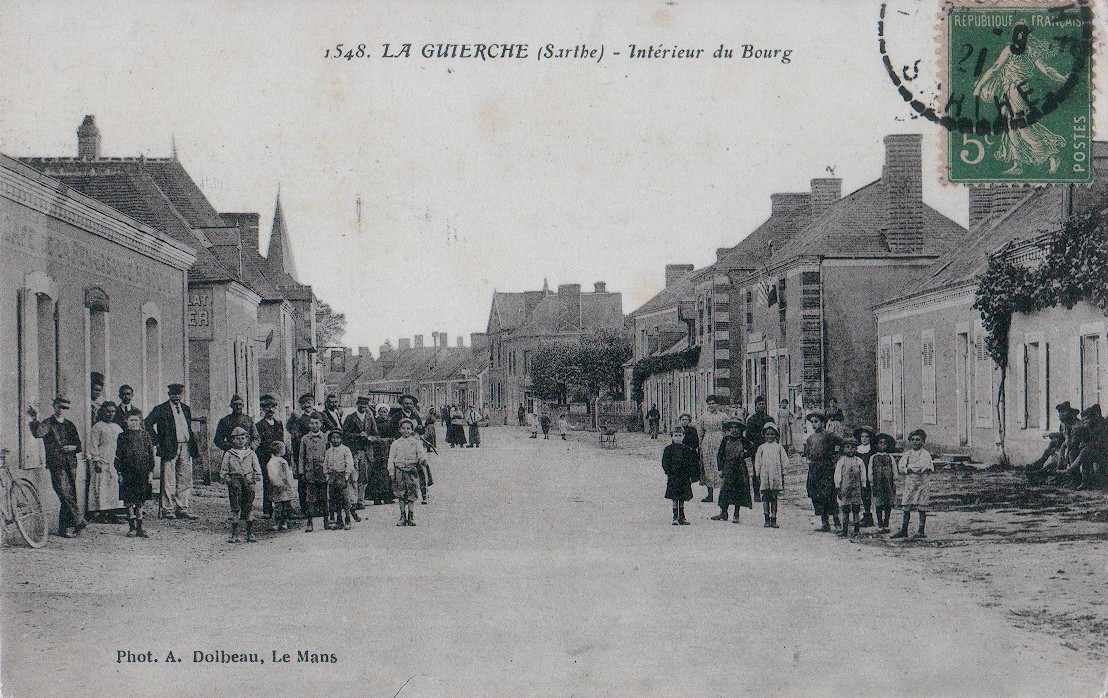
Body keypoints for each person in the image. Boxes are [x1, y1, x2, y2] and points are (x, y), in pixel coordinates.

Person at [28, 397, 85, 538]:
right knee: (64, 493)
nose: (61, 410)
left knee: (70, 494)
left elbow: (79, 445)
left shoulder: (70, 425)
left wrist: (73, 447)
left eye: (64, 408)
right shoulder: (48, 423)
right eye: (59, 406)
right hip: (56, 463)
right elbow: (38, 433)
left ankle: (64, 529)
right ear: (54, 406)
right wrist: (34, 419)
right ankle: (79, 520)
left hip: (71, 463)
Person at [144, 384, 200, 520]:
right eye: (173, 394)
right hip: (169, 447)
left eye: (179, 394)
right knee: (168, 479)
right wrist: (157, 441)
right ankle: (167, 509)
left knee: (184, 478)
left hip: (185, 446)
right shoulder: (161, 409)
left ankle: (182, 508)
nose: (176, 397)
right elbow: (147, 423)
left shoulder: (186, 409)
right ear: (169, 395)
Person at [219, 426, 262, 543]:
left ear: (247, 439)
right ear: (232, 440)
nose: (240, 440)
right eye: (237, 438)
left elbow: (257, 469)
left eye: (243, 438)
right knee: (235, 507)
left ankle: (249, 533)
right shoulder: (229, 453)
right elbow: (223, 471)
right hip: (235, 482)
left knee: (248, 506)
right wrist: (229, 480)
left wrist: (255, 480)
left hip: (248, 481)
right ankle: (235, 534)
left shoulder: (251, 453)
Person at [115, 413, 155, 538]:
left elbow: (150, 454)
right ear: (126, 421)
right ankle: (131, 527)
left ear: (140, 421)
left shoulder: (145, 435)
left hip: (142, 472)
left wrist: (150, 472)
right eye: (131, 420)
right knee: (129, 500)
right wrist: (120, 473)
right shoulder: (122, 436)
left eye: (136, 420)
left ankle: (140, 527)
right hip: (128, 473)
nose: (134, 423)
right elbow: (118, 456)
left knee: (140, 501)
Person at [892, 429, 934, 539]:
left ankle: (921, 530)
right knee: (906, 504)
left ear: (922, 441)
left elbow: (921, 467)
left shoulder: (925, 454)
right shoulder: (907, 454)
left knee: (922, 505)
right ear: (910, 441)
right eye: (913, 440)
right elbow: (901, 466)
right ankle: (904, 530)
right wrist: (906, 470)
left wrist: (910, 468)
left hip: (922, 483)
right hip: (910, 482)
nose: (915, 442)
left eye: (918, 440)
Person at [804, 411, 842, 532]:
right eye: (812, 422)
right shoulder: (810, 439)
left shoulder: (829, 435)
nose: (814, 424)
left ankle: (837, 523)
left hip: (827, 468)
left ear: (823, 423)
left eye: (816, 422)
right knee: (817, 495)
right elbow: (807, 453)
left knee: (830, 495)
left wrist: (836, 456)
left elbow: (841, 442)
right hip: (814, 469)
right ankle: (825, 523)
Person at [86, 401, 123, 522]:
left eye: (113, 411)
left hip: (114, 459)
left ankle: (112, 514)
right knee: (101, 486)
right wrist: (96, 459)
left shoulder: (117, 427)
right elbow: (93, 444)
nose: (110, 414)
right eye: (108, 411)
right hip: (102, 459)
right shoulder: (97, 426)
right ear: (102, 412)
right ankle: (102, 513)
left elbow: (122, 444)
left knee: (113, 486)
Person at [390, 418, 429, 526]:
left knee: (411, 493)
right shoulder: (396, 443)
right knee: (401, 493)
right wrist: (391, 471)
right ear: (399, 430)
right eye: (403, 428)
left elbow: (421, 454)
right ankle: (402, 516)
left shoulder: (416, 443)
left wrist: (423, 460)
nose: (406, 430)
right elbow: (391, 458)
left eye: (408, 428)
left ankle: (411, 516)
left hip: (412, 470)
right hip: (399, 470)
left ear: (412, 430)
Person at [712, 419, 752, 523]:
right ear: (729, 429)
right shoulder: (725, 440)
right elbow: (720, 455)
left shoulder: (743, 440)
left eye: (736, 427)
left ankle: (736, 514)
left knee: (738, 490)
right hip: (728, 467)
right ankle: (723, 512)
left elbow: (753, 449)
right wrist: (720, 469)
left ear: (740, 429)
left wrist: (745, 454)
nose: (734, 430)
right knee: (725, 490)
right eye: (732, 427)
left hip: (739, 468)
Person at [343, 396, 379, 510]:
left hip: (366, 451)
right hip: (354, 450)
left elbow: (376, 435)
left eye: (365, 404)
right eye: (361, 404)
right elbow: (344, 434)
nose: (363, 406)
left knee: (364, 476)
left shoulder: (370, 418)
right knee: (353, 476)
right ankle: (352, 500)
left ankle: (360, 500)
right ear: (356, 404)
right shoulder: (350, 418)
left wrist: (369, 438)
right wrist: (358, 436)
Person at [286, 393, 318, 516]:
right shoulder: (298, 419)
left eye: (309, 402)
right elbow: (292, 431)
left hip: (319, 453)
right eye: (304, 403)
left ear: (313, 403)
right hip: (304, 453)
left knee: (318, 480)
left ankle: (318, 507)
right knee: (304, 480)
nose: (307, 405)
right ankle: (305, 507)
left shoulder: (319, 415)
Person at [254, 395, 285, 519]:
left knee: (280, 481)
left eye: (273, 407)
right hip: (265, 458)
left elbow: (281, 440)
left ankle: (282, 508)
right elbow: (258, 443)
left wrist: (284, 456)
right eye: (267, 407)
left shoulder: (279, 423)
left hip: (278, 457)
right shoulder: (259, 425)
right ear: (263, 409)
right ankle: (267, 509)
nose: (270, 410)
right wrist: (263, 457)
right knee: (268, 482)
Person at [297, 415, 329, 532]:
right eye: (312, 423)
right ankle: (309, 523)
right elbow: (301, 456)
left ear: (321, 424)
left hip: (323, 472)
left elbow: (329, 455)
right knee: (310, 498)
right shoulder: (305, 439)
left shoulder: (325, 438)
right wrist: (301, 471)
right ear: (308, 425)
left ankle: (326, 521)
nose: (314, 426)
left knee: (324, 497)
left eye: (317, 423)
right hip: (310, 472)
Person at [661, 427, 697, 525]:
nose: (678, 438)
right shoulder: (668, 449)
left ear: (683, 436)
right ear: (672, 437)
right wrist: (668, 471)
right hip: (673, 476)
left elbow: (691, 463)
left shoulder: (687, 449)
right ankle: (675, 516)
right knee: (674, 497)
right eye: (675, 436)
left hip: (684, 477)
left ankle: (682, 516)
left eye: (680, 436)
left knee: (682, 497)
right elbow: (665, 462)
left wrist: (690, 474)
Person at [754, 422, 787, 528]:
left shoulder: (779, 447)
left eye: (772, 434)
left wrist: (783, 473)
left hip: (775, 475)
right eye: (767, 434)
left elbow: (784, 461)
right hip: (765, 475)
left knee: (774, 497)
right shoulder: (761, 448)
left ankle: (774, 518)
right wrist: (757, 473)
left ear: (776, 435)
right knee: (765, 496)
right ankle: (766, 518)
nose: (770, 436)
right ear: (764, 435)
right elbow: (758, 461)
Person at [834, 437, 867, 538]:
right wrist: (838, 487)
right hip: (845, 488)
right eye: (848, 447)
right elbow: (837, 474)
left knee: (856, 509)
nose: (850, 449)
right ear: (843, 449)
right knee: (845, 509)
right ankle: (845, 530)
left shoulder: (859, 461)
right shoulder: (841, 461)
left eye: (853, 447)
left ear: (856, 449)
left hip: (856, 489)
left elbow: (863, 475)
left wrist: (864, 486)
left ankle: (856, 530)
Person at [324, 429, 356, 530]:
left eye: (337, 438)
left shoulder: (345, 450)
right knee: (334, 499)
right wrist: (327, 476)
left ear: (341, 439)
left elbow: (349, 463)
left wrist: (346, 475)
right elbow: (325, 464)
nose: (335, 440)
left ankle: (348, 519)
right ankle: (339, 520)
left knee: (345, 499)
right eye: (333, 438)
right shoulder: (329, 451)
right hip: (332, 477)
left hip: (342, 476)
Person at [697, 395, 726, 503]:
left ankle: (722, 494)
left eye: (713, 403)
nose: (711, 405)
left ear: (717, 404)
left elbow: (726, 429)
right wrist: (700, 444)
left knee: (719, 465)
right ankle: (710, 494)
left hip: (719, 440)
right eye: (709, 403)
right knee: (708, 466)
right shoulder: (703, 417)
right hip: (707, 441)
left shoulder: (723, 416)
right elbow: (700, 431)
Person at [365, 405, 396, 505]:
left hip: (388, 449)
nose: (383, 414)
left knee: (387, 472)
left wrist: (389, 440)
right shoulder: (374, 422)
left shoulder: (391, 422)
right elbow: (371, 434)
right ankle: (376, 497)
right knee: (376, 474)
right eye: (381, 412)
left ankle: (388, 496)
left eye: (385, 412)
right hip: (377, 450)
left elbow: (393, 435)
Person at [745, 396, 773, 502]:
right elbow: (748, 436)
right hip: (756, 448)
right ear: (755, 406)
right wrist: (751, 447)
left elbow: (774, 432)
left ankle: (767, 491)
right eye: (759, 404)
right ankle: (756, 493)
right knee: (757, 470)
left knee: (768, 469)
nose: (762, 406)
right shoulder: (752, 419)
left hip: (768, 447)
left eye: (763, 404)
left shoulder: (769, 419)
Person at [870, 433, 898, 533]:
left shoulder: (890, 457)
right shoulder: (873, 457)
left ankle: (886, 523)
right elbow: (870, 470)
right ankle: (880, 524)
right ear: (876, 445)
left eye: (885, 443)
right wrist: (871, 481)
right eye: (880, 443)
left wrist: (894, 480)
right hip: (877, 483)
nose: (882, 445)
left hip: (888, 483)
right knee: (878, 503)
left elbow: (894, 469)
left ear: (888, 445)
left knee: (887, 503)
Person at [265, 441, 295, 531]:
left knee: (285, 505)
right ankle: (277, 522)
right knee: (278, 506)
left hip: (285, 486)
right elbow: (273, 475)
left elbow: (288, 474)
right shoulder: (272, 462)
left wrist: (289, 484)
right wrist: (278, 483)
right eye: (284, 449)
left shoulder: (283, 461)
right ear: (279, 450)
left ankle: (284, 522)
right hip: (278, 487)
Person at [854, 426, 877, 527]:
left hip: (869, 475)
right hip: (859, 474)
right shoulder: (857, 450)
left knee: (867, 495)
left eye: (866, 436)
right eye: (862, 436)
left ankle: (868, 516)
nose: (864, 438)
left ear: (870, 438)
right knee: (860, 496)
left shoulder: (872, 450)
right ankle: (859, 516)